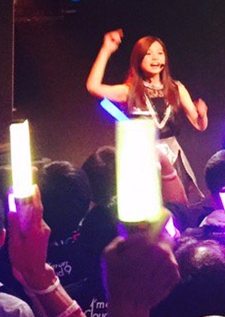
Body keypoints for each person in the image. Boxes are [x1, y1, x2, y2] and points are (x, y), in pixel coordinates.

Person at [86, 29, 207, 201]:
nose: (155, 58)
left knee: (178, 206)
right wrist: (106, 50)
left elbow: (200, 125)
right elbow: (93, 87)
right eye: (149, 54)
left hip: (173, 156)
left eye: (160, 53)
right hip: (144, 158)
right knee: (150, 207)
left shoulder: (176, 88)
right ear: (139, 59)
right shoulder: (130, 91)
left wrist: (202, 115)